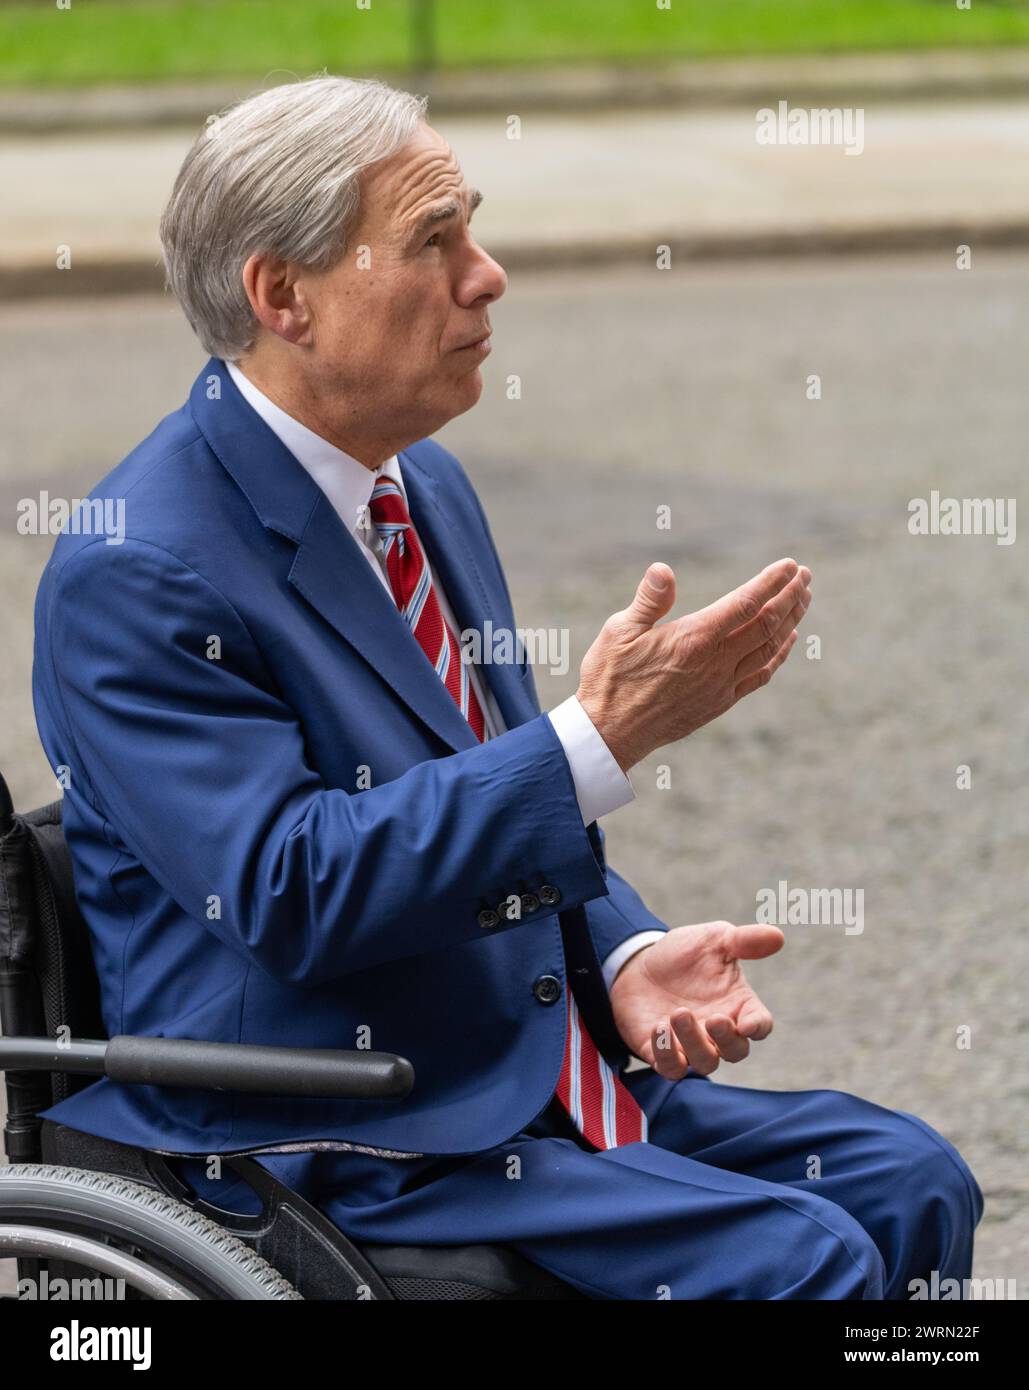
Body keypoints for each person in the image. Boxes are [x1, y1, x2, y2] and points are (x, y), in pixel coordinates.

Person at [32, 75, 982, 1299]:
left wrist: (621, 949)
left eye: (470, 228)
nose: (487, 276)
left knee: (913, 1179)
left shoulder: (413, 482)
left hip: (510, 1059)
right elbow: (291, 889)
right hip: (330, 1124)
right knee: (807, 1261)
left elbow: (486, 776)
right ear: (284, 296)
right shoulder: (138, 568)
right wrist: (602, 736)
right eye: (434, 241)